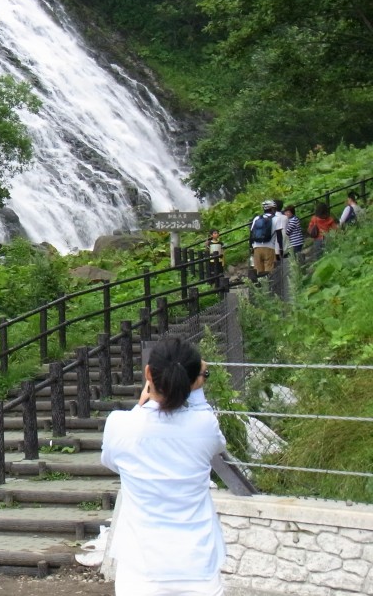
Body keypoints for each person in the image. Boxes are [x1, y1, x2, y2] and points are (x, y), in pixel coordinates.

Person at [101, 338, 227, 596]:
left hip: (140, 569)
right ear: (194, 382)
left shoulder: (119, 425)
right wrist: (199, 382)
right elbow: (216, 442)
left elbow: (111, 461)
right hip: (198, 566)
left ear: (148, 373)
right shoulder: (204, 426)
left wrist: (140, 407)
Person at [249, 200, 277, 277]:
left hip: (257, 247)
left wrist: (251, 247)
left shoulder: (257, 218)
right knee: (269, 270)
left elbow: (251, 234)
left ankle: (261, 287)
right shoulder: (275, 219)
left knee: (258, 271)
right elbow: (279, 235)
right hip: (269, 247)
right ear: (272, 209)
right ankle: (269, 287)